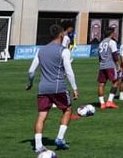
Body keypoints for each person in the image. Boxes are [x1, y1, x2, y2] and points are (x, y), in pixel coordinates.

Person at [26, 24, 79, 153]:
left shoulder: (41, 50)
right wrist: (75, 88)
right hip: (58, 87)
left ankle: (38, 146)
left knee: (42, 116)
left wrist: (30, 83)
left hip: (43, 88)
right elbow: (69, 71)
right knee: (67, 110)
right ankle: (60, 138)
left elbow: (31, 71)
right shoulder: (64, 50)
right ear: (61, 35)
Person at [96, 26, 120, 109]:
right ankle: (109, 101)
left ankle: (102, 104)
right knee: (115, 82)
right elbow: (115, 55)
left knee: (101, 84)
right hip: (110, 65)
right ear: (112, 33)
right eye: (114, 32)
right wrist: (118, 65)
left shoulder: (101, 43)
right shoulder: (112, 42)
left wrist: (101, 64)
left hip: (102, 65)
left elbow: (99, 56)